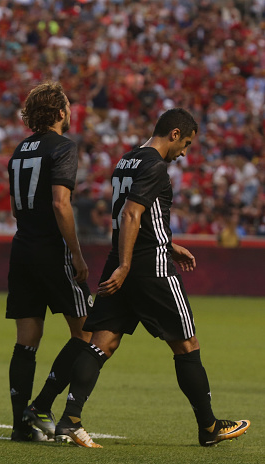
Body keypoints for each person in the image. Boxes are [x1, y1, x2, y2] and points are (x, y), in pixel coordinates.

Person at [54, 108, 250, 448]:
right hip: (149, 268)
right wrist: (130, 264)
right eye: (185, 144)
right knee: (187, 345)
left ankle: (70, 420)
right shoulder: (155, 165)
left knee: (101, 342)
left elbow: (133, 216)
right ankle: (209, 427)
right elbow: (132, 214)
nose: (184, 152)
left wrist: (165, 245)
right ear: (174, 134)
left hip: (122, 261)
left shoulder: (125, 161)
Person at [5, 82, 93, 442]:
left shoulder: (19, 150)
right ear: (59, 112)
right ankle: (41, 405)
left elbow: (16, 207)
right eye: (68, 106)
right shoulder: (63, 147)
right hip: (52, 250)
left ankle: (20, 426)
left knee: (26, 341)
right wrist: (76, 253)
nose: (70, 112)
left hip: (22, 248)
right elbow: (60, 202)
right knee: (88, 334)